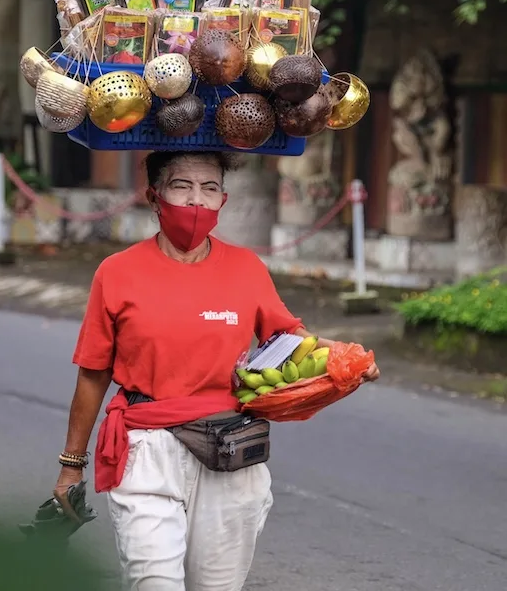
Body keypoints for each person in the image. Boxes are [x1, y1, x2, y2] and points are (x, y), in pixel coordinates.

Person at [54, 150, 380, 591]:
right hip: (147, 449)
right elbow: (92, 374)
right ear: (154, 196)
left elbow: (290, 341)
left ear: (222, 200)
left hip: (231, 450)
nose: (196, 202)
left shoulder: (246, 269)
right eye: (181, 187)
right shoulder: (116, 273)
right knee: (153, 582)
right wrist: (72, 465)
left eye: (209, 189)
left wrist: (347, 357)